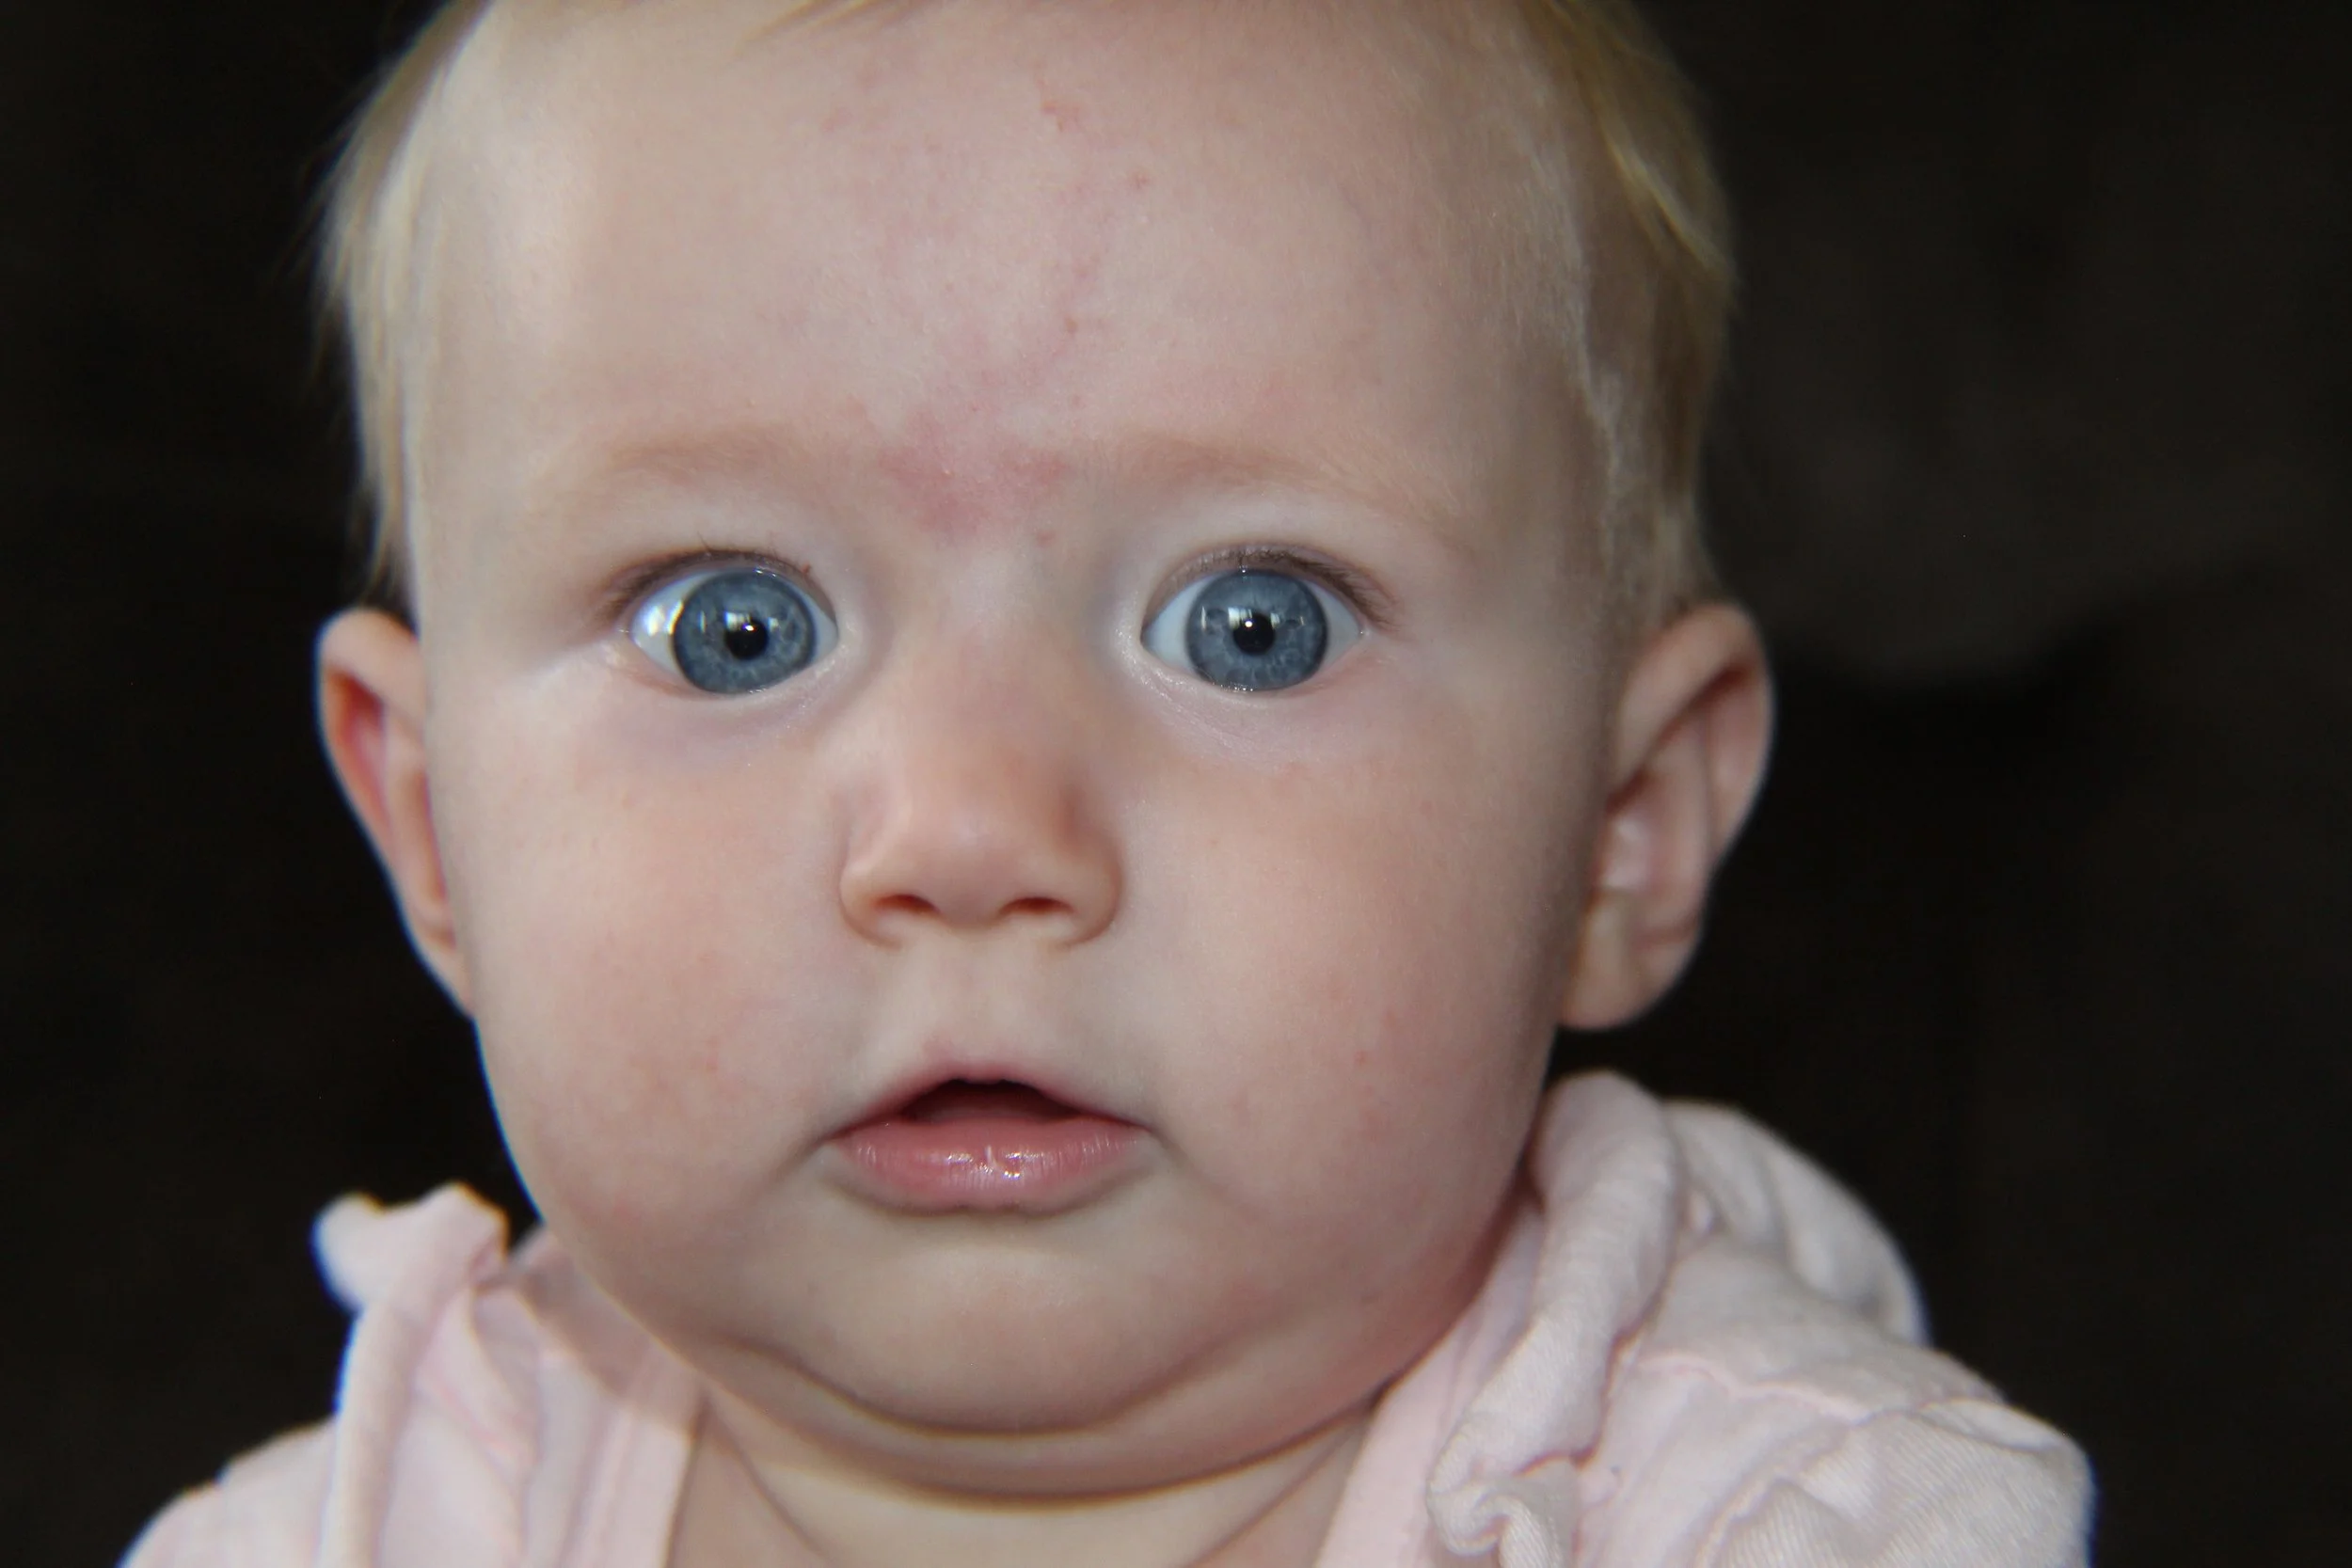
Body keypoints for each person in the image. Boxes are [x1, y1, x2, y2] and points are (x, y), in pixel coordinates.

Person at [124, 0, 2091, 1562]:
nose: (973, 833)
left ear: (1620, 826)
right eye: (731, 624)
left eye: (1255, 623)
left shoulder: (1778, 1514)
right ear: (433, 825)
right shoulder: (352, 1526)